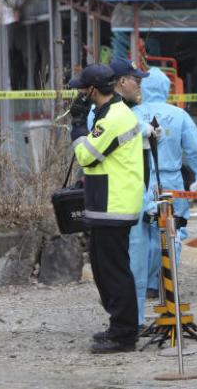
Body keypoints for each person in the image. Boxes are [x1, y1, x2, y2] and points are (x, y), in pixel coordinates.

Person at [68, 63, 144, 353]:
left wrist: (78, 125)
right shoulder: (109, 112)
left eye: (82, 89)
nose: (80, 94)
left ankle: (124, 335)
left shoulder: (113, 117)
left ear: (93, 90)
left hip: (115, 204)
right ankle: (118, 326)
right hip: (106, 203)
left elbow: (86, 156)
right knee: (103, 269)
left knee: (114, 272)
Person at [133, 67, 197, 300]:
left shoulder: (133, 113)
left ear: (143, 88)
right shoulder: (180, 115)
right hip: (172, 181)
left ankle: (145, 283)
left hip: (140, 179)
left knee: (144, 232)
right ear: (167, 89)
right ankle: (166, 281)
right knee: (174, 230)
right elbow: (195, 149)